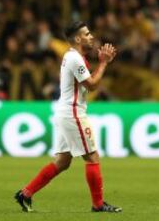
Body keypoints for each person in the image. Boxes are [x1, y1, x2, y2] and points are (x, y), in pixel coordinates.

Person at [14, 21, 122, 213]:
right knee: (92, 156)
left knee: (63, 162)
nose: (91, 36)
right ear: (78, 38)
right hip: (73, 113)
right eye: (87, 34)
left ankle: (26, 193)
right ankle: (98, 205)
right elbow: (92, 85)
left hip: (65, 112)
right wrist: (104, 62)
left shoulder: (74, 57)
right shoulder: (74, 58)